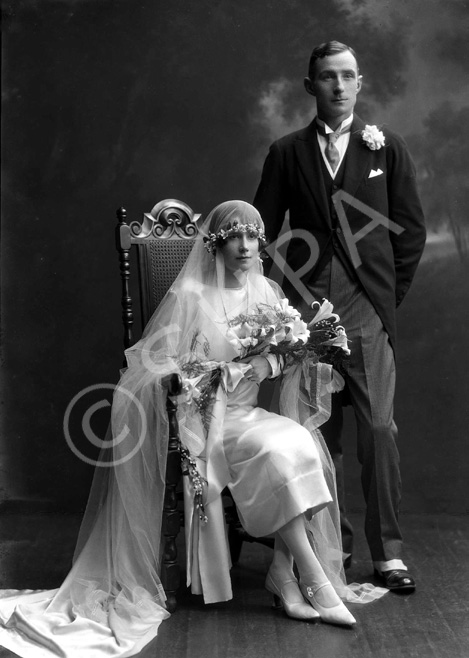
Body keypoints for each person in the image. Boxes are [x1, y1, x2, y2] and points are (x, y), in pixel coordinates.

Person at [0, 200, 388, 658]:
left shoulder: (266, 289)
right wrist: (217, 372)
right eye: (234, 238)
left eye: (252, 237)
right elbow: (154, 368)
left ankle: (285, 574)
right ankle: (313, 579)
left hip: (249, 416)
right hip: (207, 420)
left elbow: (285, 354)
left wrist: (270, 361)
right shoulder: (190, 297)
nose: (245, 247)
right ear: (216, 244)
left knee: (299, 440)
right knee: (280, 451)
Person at [254, 41, 426, 591]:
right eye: (327, 77)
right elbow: (263, 233)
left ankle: (388, 553)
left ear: (360, 83)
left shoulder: (387, 149)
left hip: (368, 310)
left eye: (348, 76)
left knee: (378, 428)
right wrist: (277, 308)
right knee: (314, 434)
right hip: (306, 312)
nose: (339, 85)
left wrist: (382, 301)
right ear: (311, 86)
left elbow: (412, 232)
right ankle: (331, 548)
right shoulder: (286, 152)